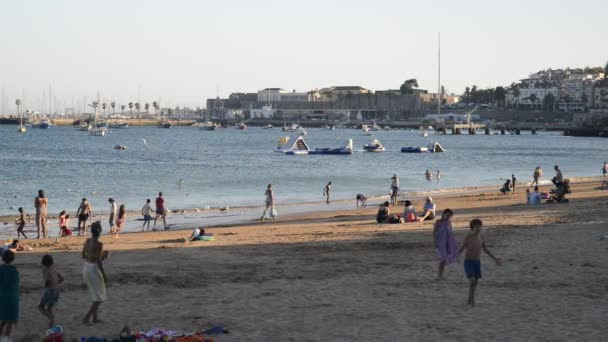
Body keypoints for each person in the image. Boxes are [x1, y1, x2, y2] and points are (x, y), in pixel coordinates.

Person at [457, 219, 502, 306]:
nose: (479, 228)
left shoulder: (481, 237)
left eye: (480, 226)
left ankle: (470, 299)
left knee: (475, 282)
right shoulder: (468, 236)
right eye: (476, 226)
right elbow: (462, 247)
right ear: (472, 228)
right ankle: (472, 300)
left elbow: (486, 250)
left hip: (477, 262)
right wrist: (457, 256)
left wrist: (495, 258)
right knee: (472, 280)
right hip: (468, 262)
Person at [82, 221, 108, 326]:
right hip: (93, 269)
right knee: (100, 296)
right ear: (99, 232)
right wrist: (104, 274)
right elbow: (98, 261)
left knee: (96, 295)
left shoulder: (87, 241)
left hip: (86, 268)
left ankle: (94, 318)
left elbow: (84, 255)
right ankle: (86, 318)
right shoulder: (99, 244)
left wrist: (100, 257)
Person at [38, 254, 64, 328]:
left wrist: (45, 287)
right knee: (49, 308)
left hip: (50, 290)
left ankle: (51, 318)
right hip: (57, 290)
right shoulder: (54, 268)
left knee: (40, 307)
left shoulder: (45, 270)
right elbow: (62, 279)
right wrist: (56, 284)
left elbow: (47, 282)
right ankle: (51, 323)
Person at [433, 209, 457, 279]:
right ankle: (439, 275)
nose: (449, 217)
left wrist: (453, 242)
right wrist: (435, 241)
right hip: (441, 242)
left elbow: (450, 232)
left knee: (445, 259)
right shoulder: (438, 222)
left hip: (448, 241)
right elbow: (434, 232)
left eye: (450, 216)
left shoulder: (449, 222)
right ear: (444, 214)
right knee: (443, 259)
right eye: (448, 215)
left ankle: (441, 274)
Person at [0, 250, 19, 340]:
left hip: (2, 296)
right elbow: (16, 284)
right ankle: (6, 337)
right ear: (13, 259)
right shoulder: (14, 270)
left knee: (3, 318)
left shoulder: (1, 269)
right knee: (10, 319)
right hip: (12, 296)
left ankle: (1, 337)